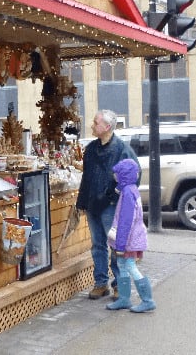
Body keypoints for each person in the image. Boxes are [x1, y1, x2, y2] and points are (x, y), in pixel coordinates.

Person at [76, 109, 137, 300]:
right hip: (93, 204)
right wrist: (82, 201)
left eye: (95, 123)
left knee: (116, 247)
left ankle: (119, 285)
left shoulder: (122, 149)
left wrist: (113, 195)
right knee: (97, 245)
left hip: (111, 206)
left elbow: (133, 175)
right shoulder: (91, 149)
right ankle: (101, 283)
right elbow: (86, 177)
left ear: (107, 127)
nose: (92, 126)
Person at [106, 158, 154, 313]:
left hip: (128, 239)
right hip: (132, 237)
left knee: (130, 266)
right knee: (122, 265)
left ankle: (147, 300)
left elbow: (125, 222)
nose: (115, 176)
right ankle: (124, 298)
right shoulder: (131, 189)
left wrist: (120, 246)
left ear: (123, 175)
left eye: (117, 174)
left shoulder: (127, 193)